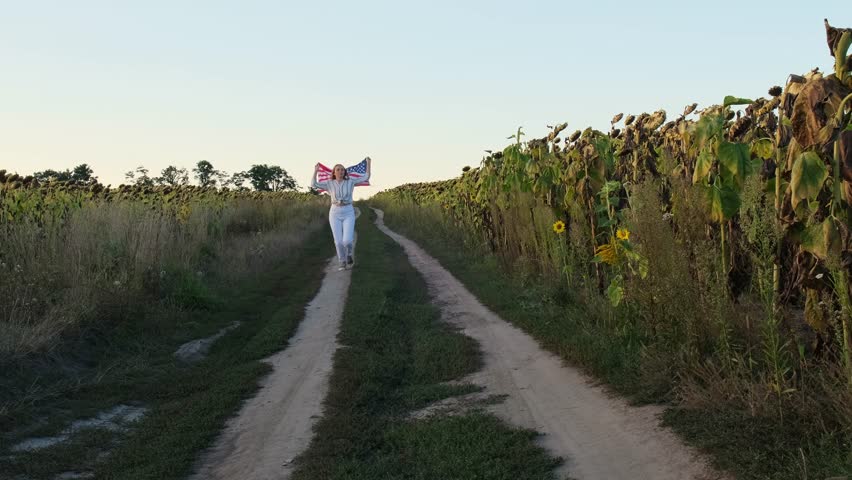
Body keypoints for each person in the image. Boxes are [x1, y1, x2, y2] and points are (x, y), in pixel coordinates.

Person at [311, 157, 372, 271]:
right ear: (334, 172)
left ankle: (349, 254)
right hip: (334, 212)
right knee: (338, 241)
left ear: (345, 172)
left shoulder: (351, 182)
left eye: (342, 170)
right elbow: (313, 184)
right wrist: (316, 170)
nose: (340, 171)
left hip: (348, 211)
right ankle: (342, 262)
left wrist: (368, 163)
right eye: (338, 170)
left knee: (347, 240)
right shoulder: (329, 183)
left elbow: (366, 177)